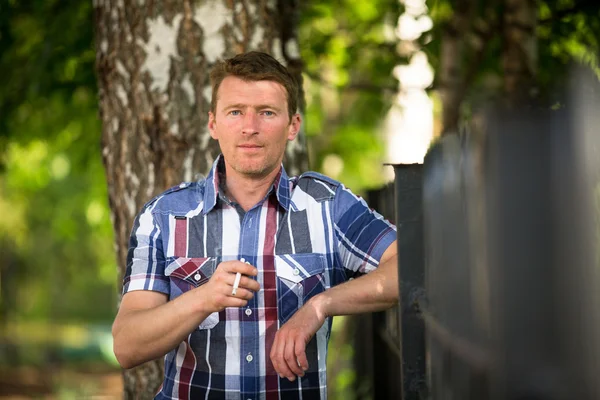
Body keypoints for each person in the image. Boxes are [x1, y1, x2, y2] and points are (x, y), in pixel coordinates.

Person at [112, 51, 399, 400]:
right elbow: (127, 346)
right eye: (235, 112)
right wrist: (204, 298)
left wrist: (319, 306)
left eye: (266, 112)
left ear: (293, 126)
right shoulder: (165, 215)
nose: (250, 127)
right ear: (213, 123)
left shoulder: (328, 206)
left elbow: (410, 268)